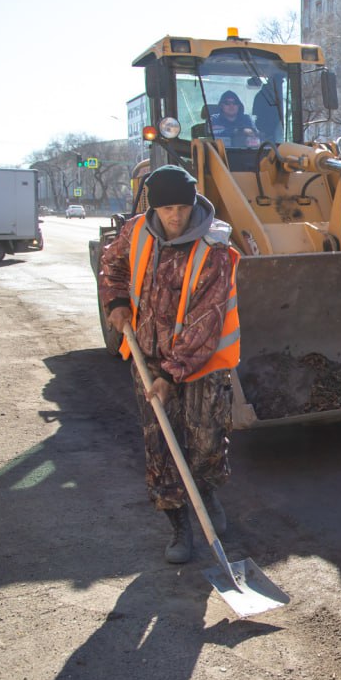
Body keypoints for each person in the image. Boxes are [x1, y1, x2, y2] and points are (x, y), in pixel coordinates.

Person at [98, 165, 241, 564]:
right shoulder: (136, 231)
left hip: (202, 362)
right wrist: (115, 302)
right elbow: (113, 265)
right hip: (148, 356)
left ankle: (206, 492)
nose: (174, 217)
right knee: (161, 445)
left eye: (181, 207)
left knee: (206, 441)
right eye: (165, 209)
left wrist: (169, 375)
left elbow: (205, 321)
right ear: (152, 207)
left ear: (193, 203)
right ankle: (179, 525)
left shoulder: (213, 247)